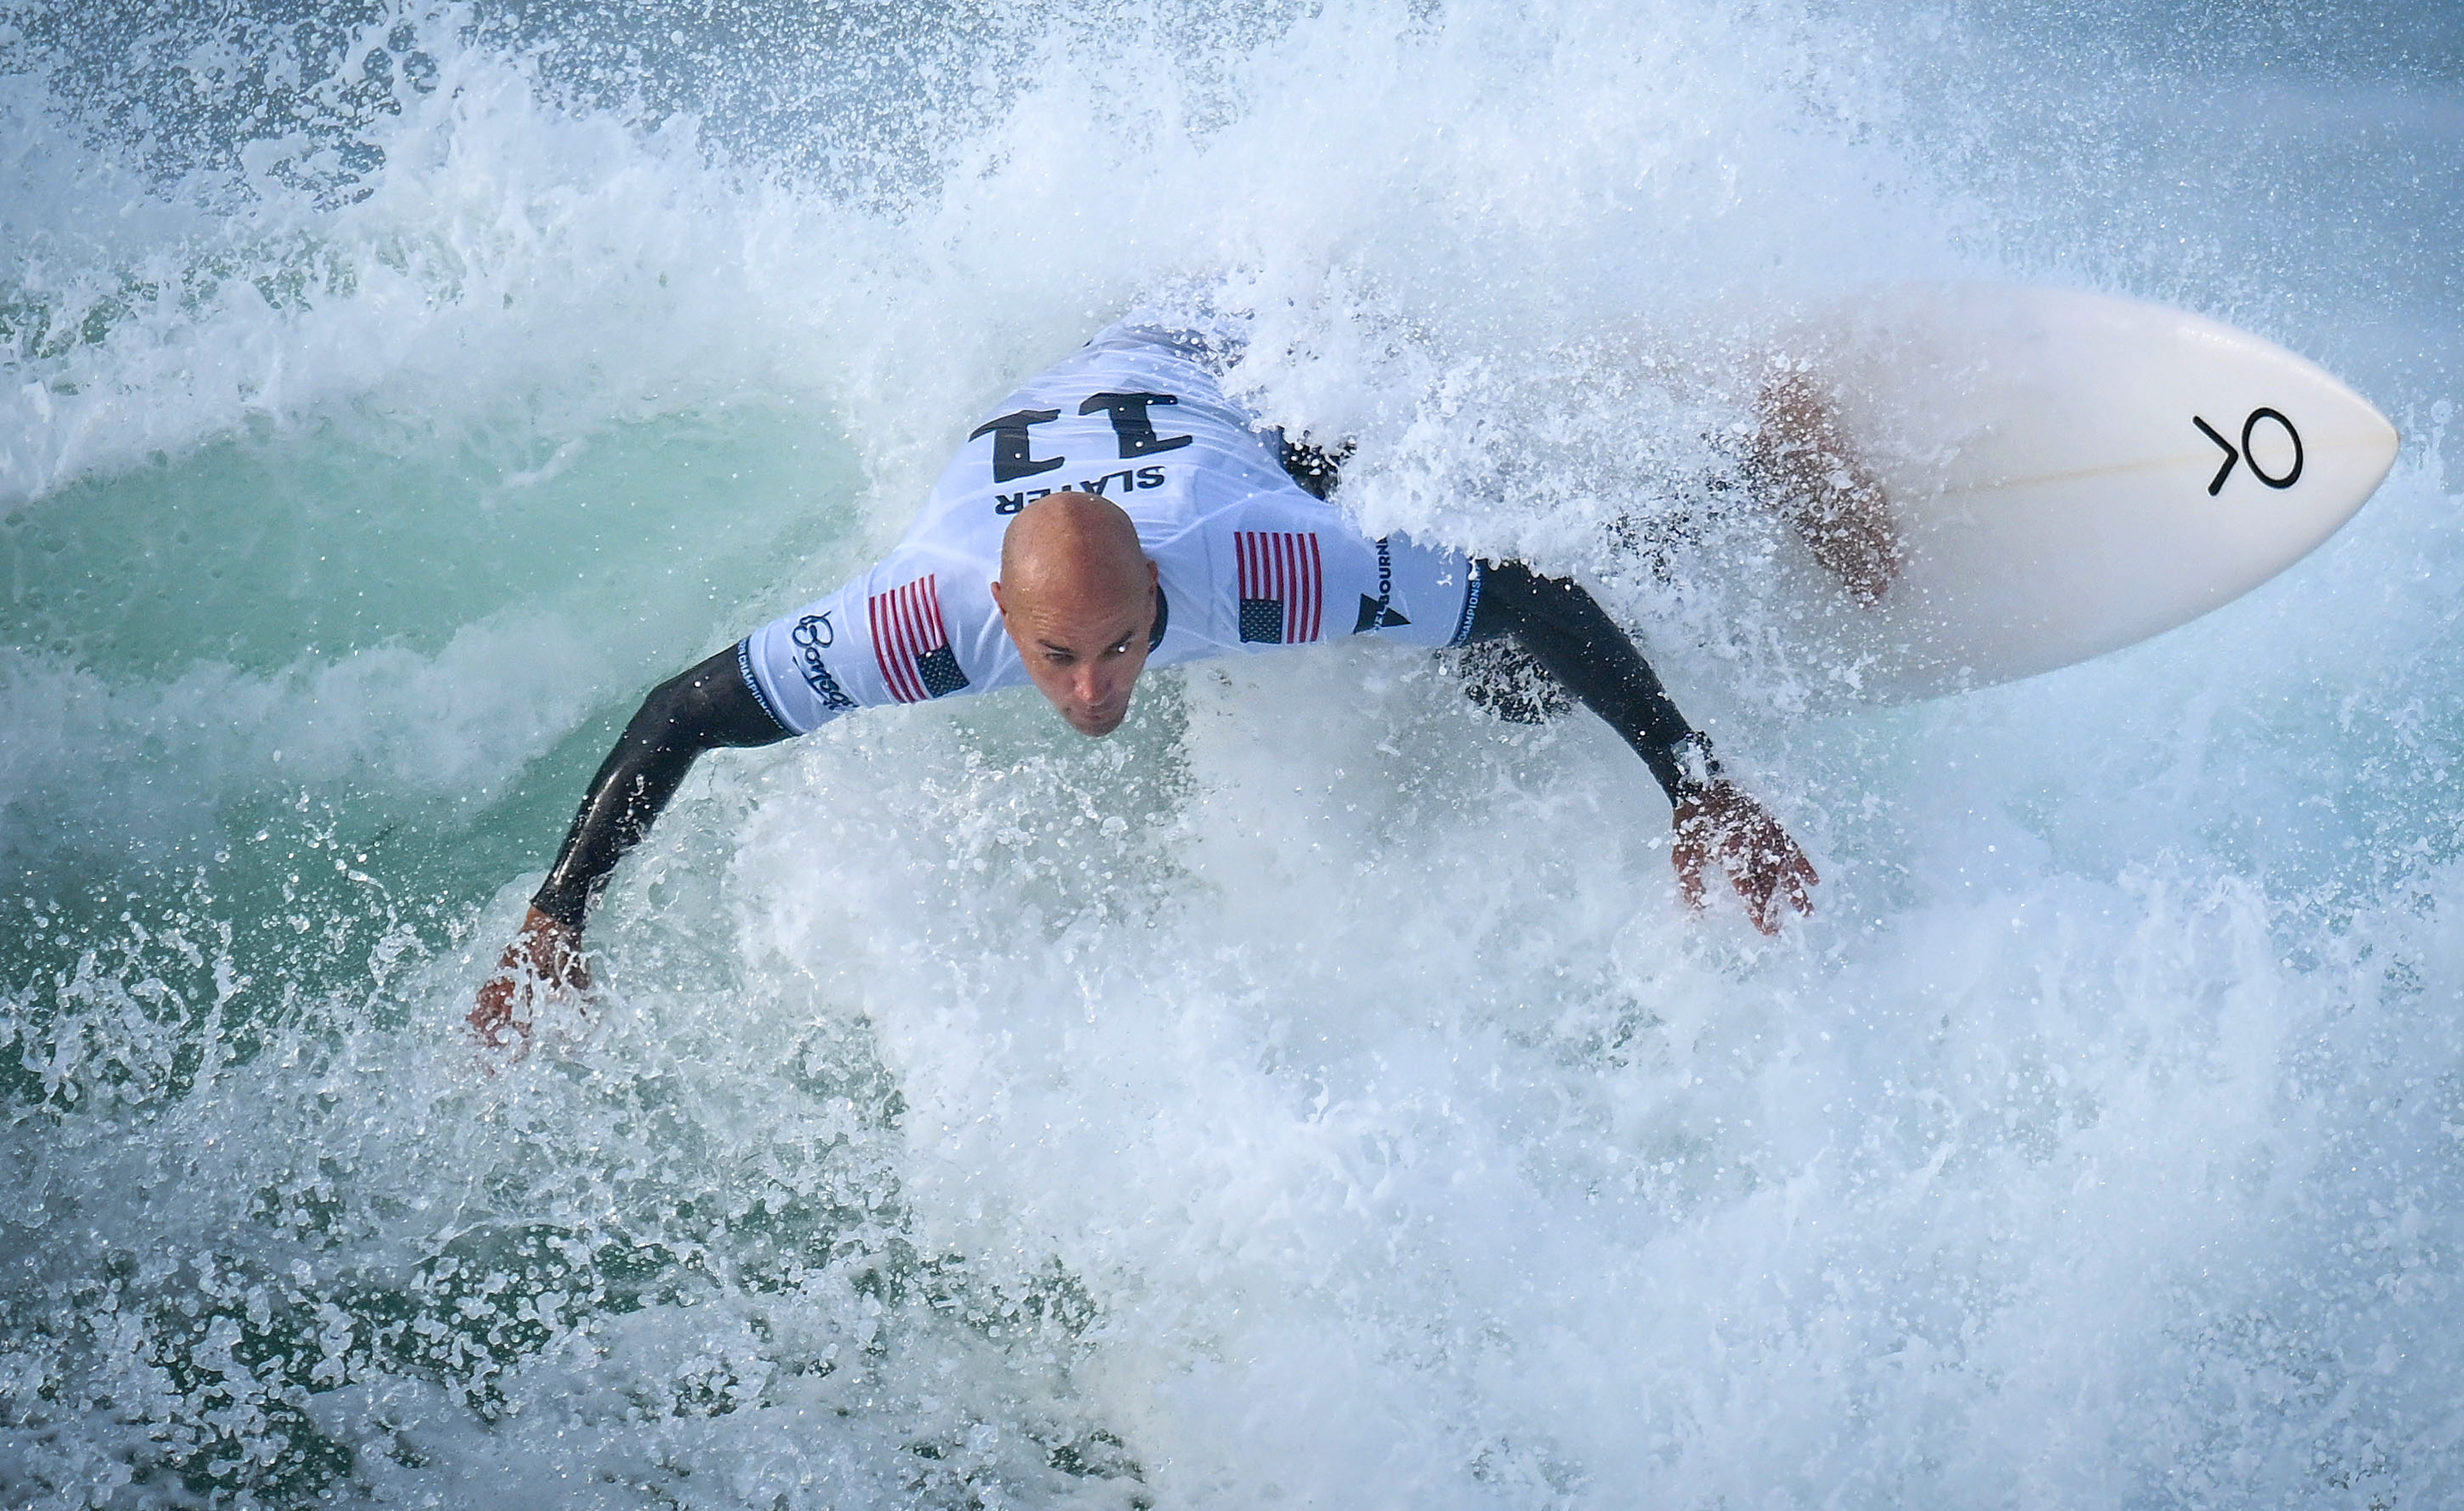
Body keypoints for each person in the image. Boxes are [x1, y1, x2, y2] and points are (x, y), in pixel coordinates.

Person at [469, 308, 1891, 1043]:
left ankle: (1756, 460)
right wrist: (557, 915)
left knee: (1504, 676)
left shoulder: (1262, 566)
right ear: (1003, 632)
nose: (1092, 694)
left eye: (1121, 650)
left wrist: (1697, 788)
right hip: (1114, 367)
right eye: (1058, 661)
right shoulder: (921, 622)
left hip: (1251, 359)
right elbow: (682, 716)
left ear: (1164, 594)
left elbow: (1531, 595)